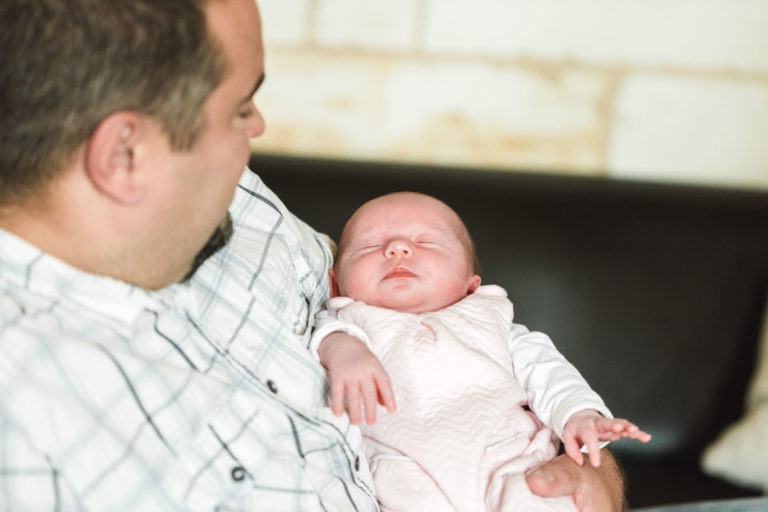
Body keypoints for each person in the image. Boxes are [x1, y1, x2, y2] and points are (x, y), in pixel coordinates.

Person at [0, 0, 625, 510]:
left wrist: (594, 482)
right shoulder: (32, 422)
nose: (259, 128)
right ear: (124, 155)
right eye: (239, 107)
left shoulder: (240, 202)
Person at [314, 191, 651, 511]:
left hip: (509, 457)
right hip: (401, 464)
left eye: (425, 242)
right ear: (336, 284)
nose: (397, 248)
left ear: (470, 285)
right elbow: (325, 335)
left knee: (536, 495)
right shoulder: (346, 323)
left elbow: (548, 372)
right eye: (370, 245)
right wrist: (343, 350)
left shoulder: (495, 324)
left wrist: (579, 414)